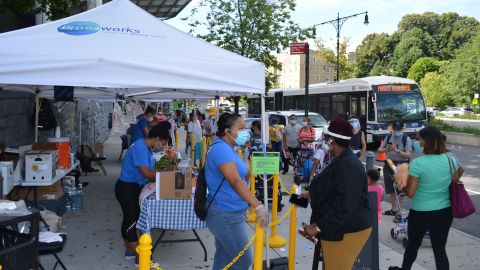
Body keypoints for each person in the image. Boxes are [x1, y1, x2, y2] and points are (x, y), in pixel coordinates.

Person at [300, 119, 372, 270]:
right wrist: (310, 195)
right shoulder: (341, 159)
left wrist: (318, 227)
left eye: (326, 138)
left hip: (345, 231)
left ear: (332, 140)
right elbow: (335, 190)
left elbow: (345, 205)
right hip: (336, 228)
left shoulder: (348, 165)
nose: (325, 141)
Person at [389, 126, 459, 270]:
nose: (418, 143)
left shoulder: (418, 164)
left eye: (420, 139)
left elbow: (410, 193)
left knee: (413, 246)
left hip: (421, 212)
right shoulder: (450, 159)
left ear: (427, 141)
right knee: (439, 250)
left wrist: (402, 182)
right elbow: (459, 173)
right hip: (445, 212)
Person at [205, 112, 268, 270]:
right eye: (240, 128)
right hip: (225, 214)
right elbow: (234, 180)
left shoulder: (228, 148)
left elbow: (238, 178)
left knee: (225, 258)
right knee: (243, 260)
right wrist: (257, 205)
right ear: (227, 131)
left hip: (230, 211)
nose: (244, 132)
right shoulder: (221, 149)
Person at [115, 126, 169, 265]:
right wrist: (167, 175)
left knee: (129, 219)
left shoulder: (145, 147)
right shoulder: (140, 148)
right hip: (127, 187)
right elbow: (147, 174)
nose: (162, 146)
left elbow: (151, 170)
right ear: (157, 139)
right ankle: (141, 257)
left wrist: (163, 168)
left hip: (134, 186)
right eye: (163, 143)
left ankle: (130, 250)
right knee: (132, 221)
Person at [377, 119, 412, 220]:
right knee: (391, 187)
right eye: (395, 128)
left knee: (401, 188)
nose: (397, 130)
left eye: (399, 128)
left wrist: (398, 151)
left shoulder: (406, 138)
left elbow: (408, 155)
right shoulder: (388, 136)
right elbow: (379, 150)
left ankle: (400, 212)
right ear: (393, 128)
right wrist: (386, 149)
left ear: (402, 128)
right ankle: (394, 209)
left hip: (402, 165)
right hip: (389, 163)